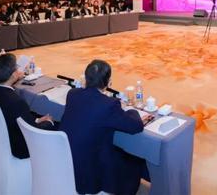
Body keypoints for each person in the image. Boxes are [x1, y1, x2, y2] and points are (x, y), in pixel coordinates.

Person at [59, 59, 151, 195]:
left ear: (86, 79)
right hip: (90, 175)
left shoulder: (72, 94)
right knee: (134, 160)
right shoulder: (109, 105)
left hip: (66, 163)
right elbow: (135, 126)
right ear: (108, 82)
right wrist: (132, 110)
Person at [0, 53, 55, 159]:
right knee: (58, 126)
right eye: (17, 68)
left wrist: (37, 120)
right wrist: (48, 122)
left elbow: (19, 118)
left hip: (0, 138)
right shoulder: (16, 101)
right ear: (13, 75)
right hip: (20, 147)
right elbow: (31, 130)